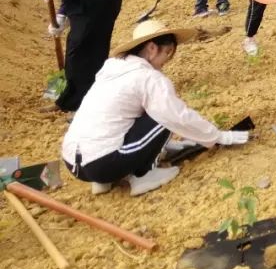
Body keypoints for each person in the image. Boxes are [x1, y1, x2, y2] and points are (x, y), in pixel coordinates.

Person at [61, 20, 250, 196]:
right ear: (152, 48)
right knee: (164, 116)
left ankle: (104, 181)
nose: (167, 60)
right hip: (103, 163)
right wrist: (217, 136)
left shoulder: (113, 69)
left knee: (137, 112)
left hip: (73, 162)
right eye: (167, 53)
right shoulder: (149, 78)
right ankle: (143, 175)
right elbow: (177, 117)